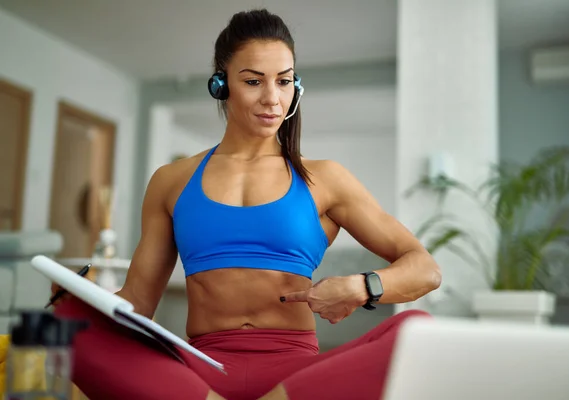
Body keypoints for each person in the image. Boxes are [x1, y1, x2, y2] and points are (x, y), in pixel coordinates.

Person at [51, 8, 441, 400]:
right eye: (254, 81)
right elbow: (137, 302)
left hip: (295, 374)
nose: (272, 97)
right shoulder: (172, 180)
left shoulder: (326, 178)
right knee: (64, 320)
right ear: (221, 84)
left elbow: (424, 269)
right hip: (198, 371)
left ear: (296, 87)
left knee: (416, 330)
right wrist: (85, 302)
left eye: (284, 81)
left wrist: (362, 286)